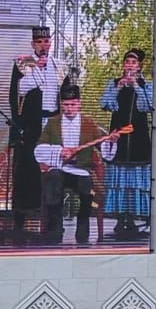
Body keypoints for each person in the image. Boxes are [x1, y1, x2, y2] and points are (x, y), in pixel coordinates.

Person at [35, 82, 118, 245]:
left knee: (87, 189)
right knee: (52, 181)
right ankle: (55, 229)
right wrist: (59, 151)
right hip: (59, 168)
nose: (69, 108)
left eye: (73, 104)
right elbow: (39, 149)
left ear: (79, 104)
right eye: (66, 105)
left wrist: (111, 142)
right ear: (61, 105)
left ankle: (82, 228)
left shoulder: (88, 124)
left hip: (81, 170)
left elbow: (103, 149)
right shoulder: (52, 123)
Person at [9, 26, 60, 237]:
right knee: (26, 171)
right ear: (33, 44)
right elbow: (17, 93)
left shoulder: (58, 66)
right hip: (31, 125)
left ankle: (52, 221)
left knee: (52, 171)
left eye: (46, 41)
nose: (43, 45)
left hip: (52, 124)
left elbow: (64, 95)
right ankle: (21, 219)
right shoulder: (22, 65)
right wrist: (36, 70)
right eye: (39, 42)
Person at [99, 48, 154, 242]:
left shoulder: (146, 85)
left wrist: (136, 86)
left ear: (139, 67)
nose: (130, 65)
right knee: (119, 178)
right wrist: (119, 88)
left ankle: (132, 218)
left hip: (138, 138)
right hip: (119, 136)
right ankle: (120, 217)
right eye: (127, 62)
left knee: (134, 180)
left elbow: (147, 106)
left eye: (134, 62)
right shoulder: (114, 83)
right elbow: (105, 104)